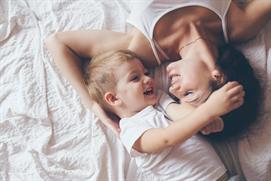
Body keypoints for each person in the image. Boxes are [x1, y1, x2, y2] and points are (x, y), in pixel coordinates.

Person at [44, 0, 270, 138]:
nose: (174, 89)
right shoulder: (240, 26)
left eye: (178, 97)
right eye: (189, 93)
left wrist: (92, 104)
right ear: (218, 76)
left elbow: (58, 43)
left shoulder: (142, 51)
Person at [85, 49, 244, 180]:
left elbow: (180, 113)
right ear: (114, 98)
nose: (147, 78)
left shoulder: (159, 99)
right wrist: (207, 111)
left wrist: (208, 121)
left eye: (146, 73)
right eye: (135, 78)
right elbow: (167, 138)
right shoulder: (130, 131)